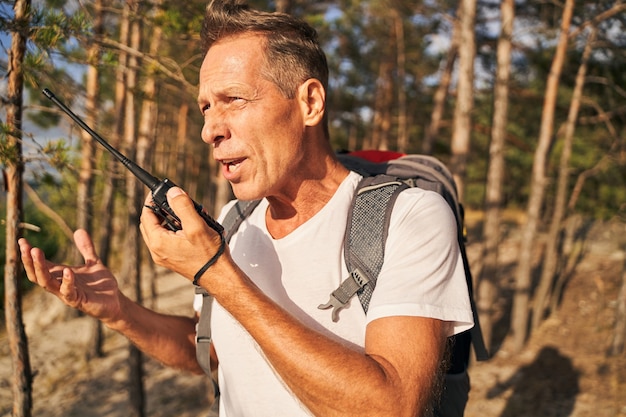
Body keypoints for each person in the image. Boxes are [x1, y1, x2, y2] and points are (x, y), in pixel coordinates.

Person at [19, 1, 474, 416]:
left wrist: (217, 273)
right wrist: (117, 310)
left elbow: (392, 407)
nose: (209, 130)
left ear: (309, 102)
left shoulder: (410, 217)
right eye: (204, 109)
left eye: (233, 100)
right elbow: (213, 353)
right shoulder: (235, 225)